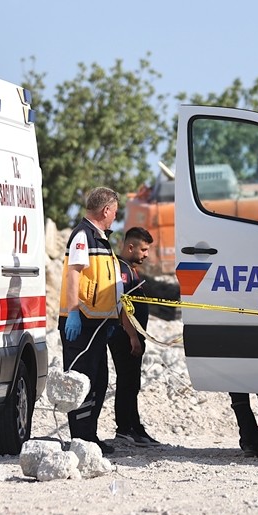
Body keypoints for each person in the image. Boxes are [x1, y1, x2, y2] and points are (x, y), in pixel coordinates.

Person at [58, 187, 123, 455]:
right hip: (81, 323)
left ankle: (90, 436)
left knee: (98, 380)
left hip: (97, 323)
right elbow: (75, 274)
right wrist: (73, 312)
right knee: (80, 381)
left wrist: (109, 319)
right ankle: (81, 438)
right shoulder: (83, 236)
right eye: (115, 213)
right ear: (106, 210)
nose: (115, 219)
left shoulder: (100, 239)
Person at [109, 226, 162, 447]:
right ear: (130, 247)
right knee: (127, 381)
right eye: (143, 249)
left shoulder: (129, 269)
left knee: (132, 382)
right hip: (124, 337)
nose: (146, 254)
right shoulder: (121, 270)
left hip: (132, 337)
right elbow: (122, 307)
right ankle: (126, 428)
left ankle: (134, 425)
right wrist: (132, 336)